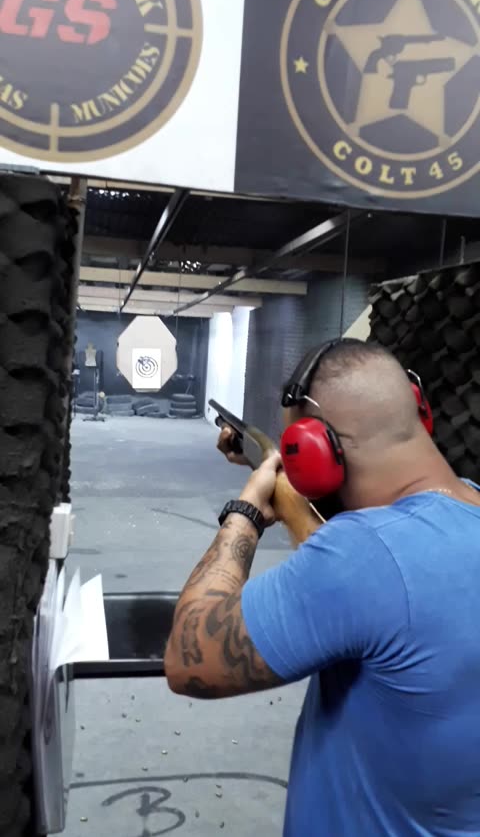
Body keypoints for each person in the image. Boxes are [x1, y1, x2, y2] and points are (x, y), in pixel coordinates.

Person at [164, 339, 480, 836]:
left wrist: (246, 513)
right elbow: (373, 592)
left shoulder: (364, 558)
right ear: (418, 412)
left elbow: (191, 658)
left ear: (318, 452)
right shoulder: (461, 516)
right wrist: (286, 496)